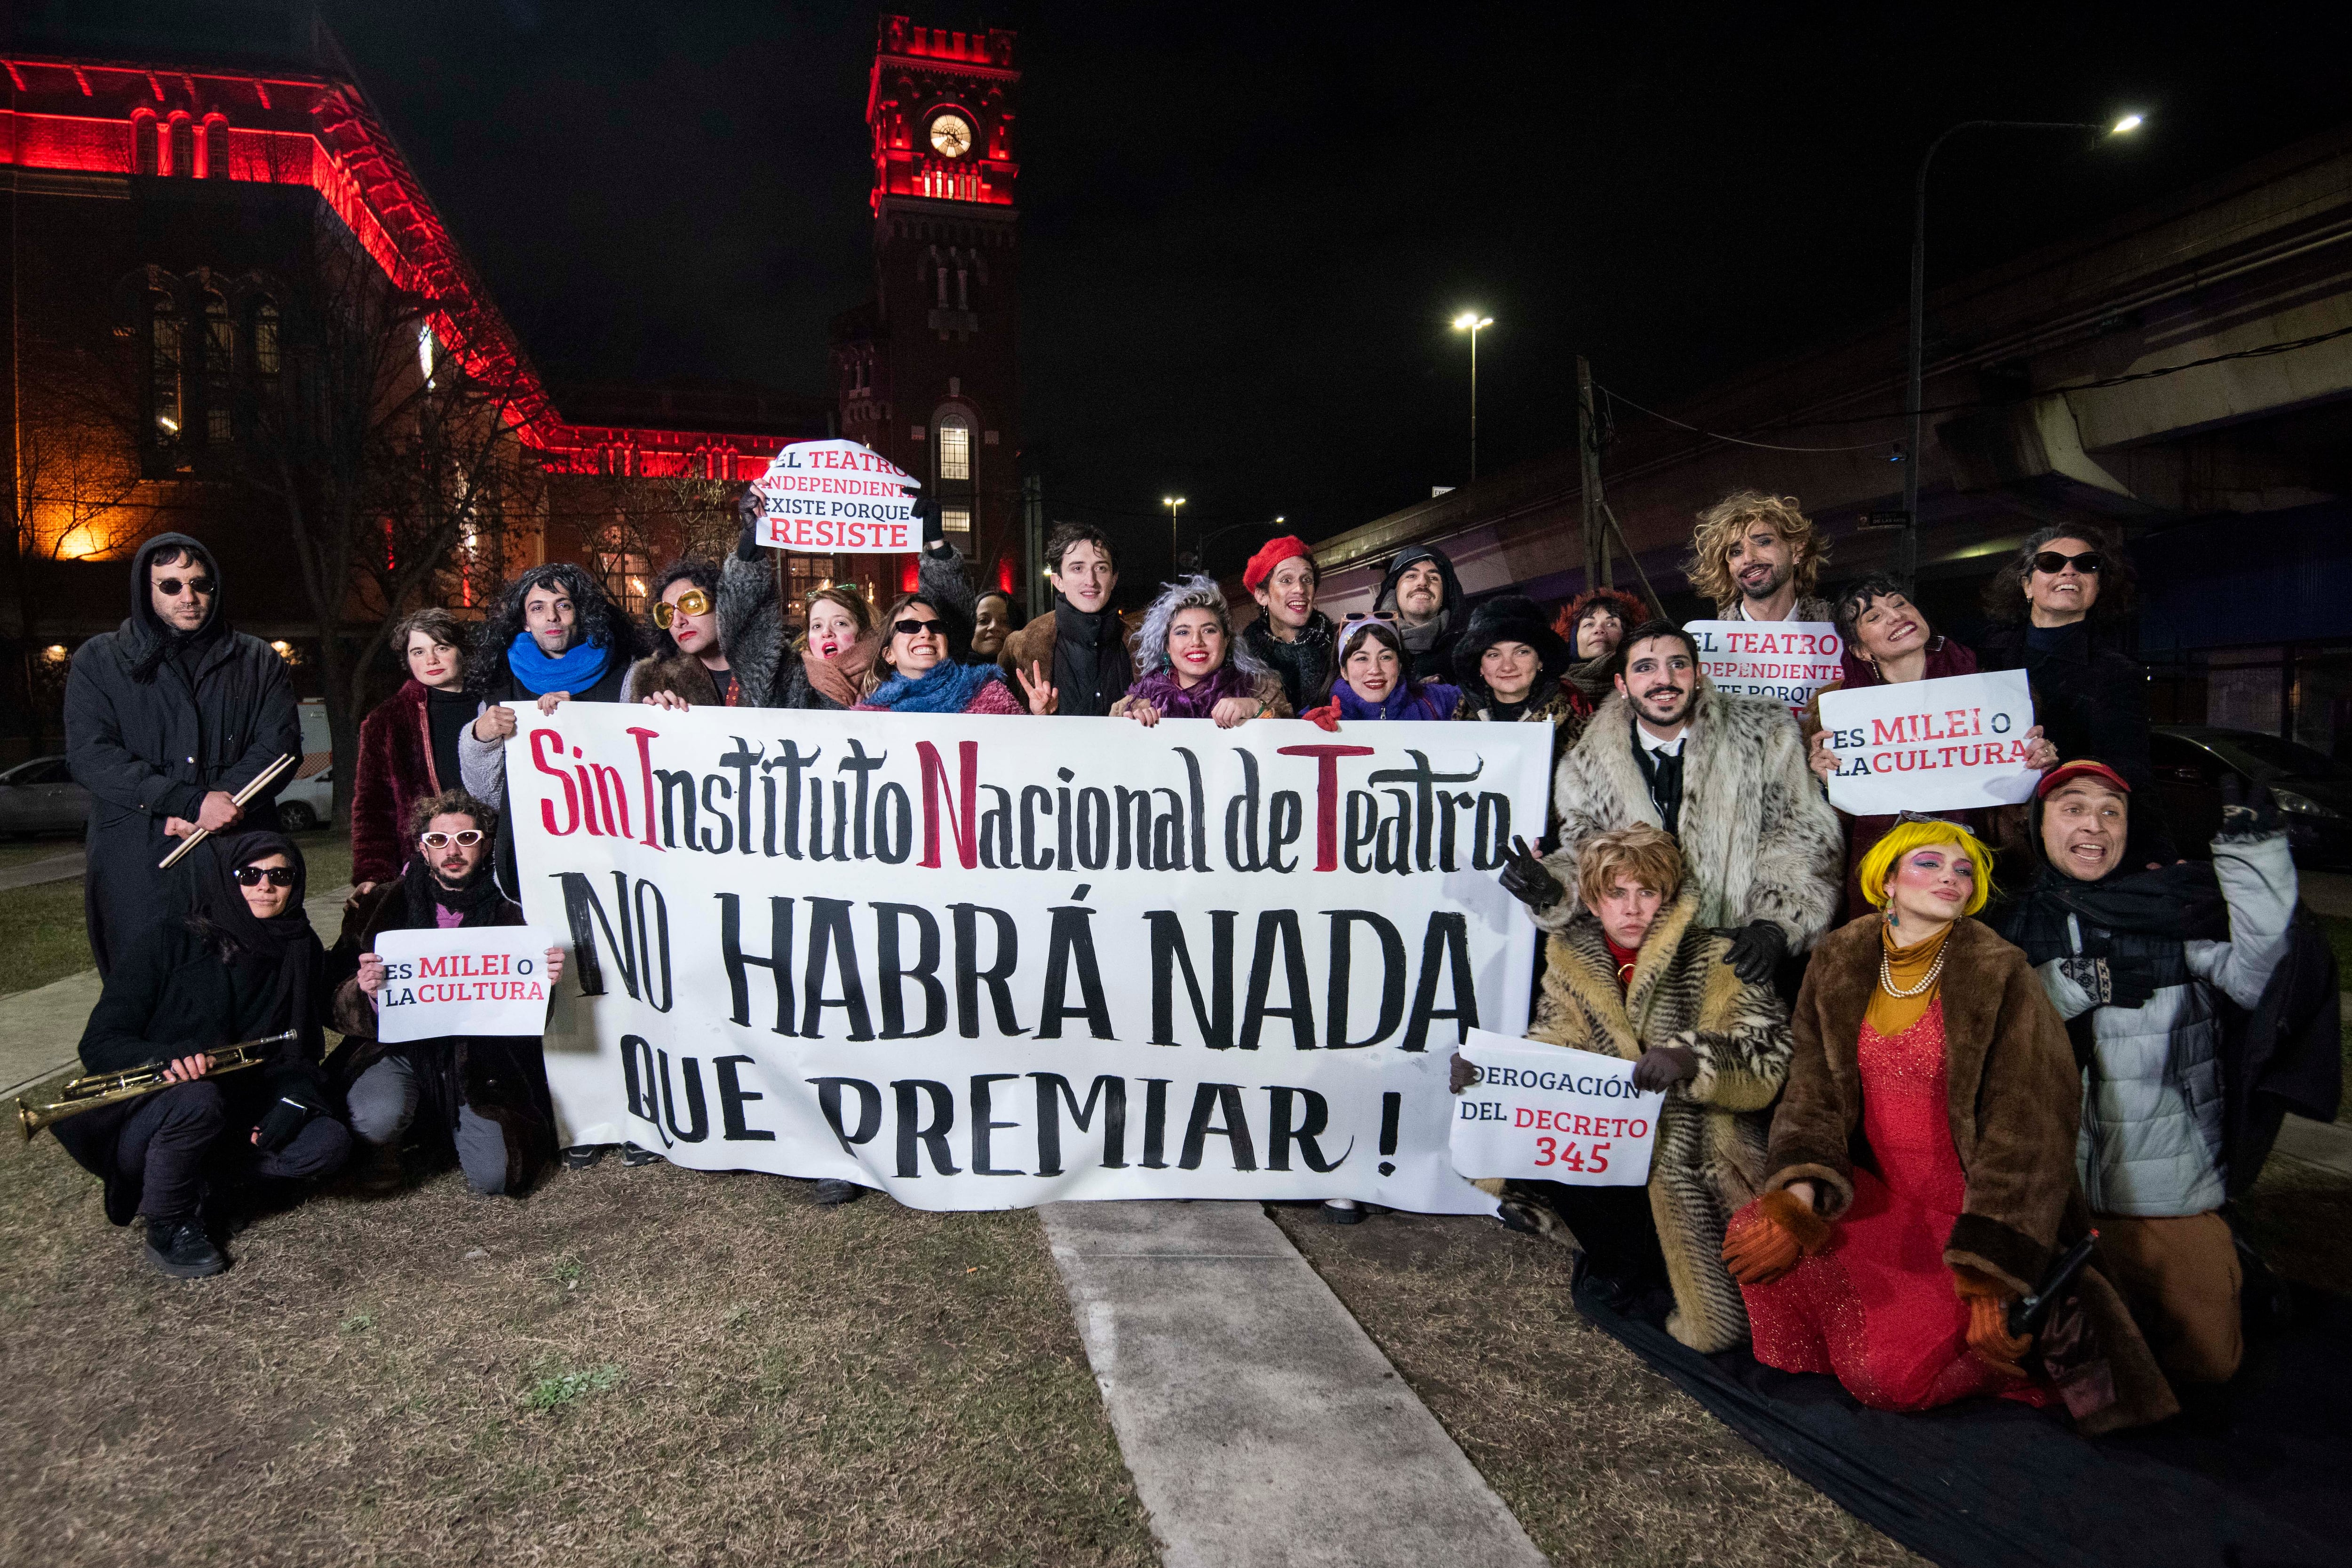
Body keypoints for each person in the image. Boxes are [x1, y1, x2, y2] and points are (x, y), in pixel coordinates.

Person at [1721, 819, 2176, 1432]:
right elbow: (1813, 1091)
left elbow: (2032, 1132)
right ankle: (1861, 1339)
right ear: (1887, 878)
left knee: (1888, 1378)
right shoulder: (1841, 953)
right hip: (1887, 1205)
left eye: (1964, 870)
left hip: (1973, 1225)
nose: (1951, 878)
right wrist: (1798, 1197)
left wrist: (1991, 1276)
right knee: (1757, 1228)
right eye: (1929, 864)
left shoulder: (1999, 970)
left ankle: (1977, 1348)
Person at [1992, 763, 2299, 1386]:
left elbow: (2262, 980)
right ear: (2038, 823)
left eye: (2112, 811)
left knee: (2205, 1368)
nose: (2094, 824)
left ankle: (2231, 1265)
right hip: (2054, 1203)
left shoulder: (2173, 911)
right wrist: (2076, 983)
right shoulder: (2011, 926)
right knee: (2049, 1372)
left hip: (2164, 1190)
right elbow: (1980, 1018)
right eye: (2073, 807)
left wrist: (2255, 862)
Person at [1462, 826, 1790, 1352]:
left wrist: (1690, 1059)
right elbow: (1552, 1042)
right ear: (1591, 901)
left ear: (1669, 896)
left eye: (1647, 892)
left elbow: (1767, 1062)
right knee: (1529, 1146)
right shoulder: (1571, 959)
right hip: (1613, 1147)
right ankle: (1622, 1261)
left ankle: (1655, 1264)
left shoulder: (1718, 956)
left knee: (1718, 1322)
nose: (1632, 908)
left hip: (1699, 1153)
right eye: (1616, 893)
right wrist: (1488, 1076)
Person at [56, 832, 351, 1279]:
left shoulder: (299, 945)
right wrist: (168, 1057)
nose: (264, 886)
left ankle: (214, 1183)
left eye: (280, 875)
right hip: (163, 1108)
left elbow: (297, 1048)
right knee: (198, 1101)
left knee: (330, 1143)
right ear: (226, 880)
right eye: (249, 874)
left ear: (296, 882)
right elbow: (99, 1042)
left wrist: (295, 1099)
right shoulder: (168, 940)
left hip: (241, 1105)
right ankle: (169, 1222)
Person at [1502, 621, 1842, 987]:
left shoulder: (1765, 733)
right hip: (1642, 973)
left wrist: (1775, 926)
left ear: (1698, 674)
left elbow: (1801, 837)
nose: (1665, 679)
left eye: (1678, 664)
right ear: (1622, 685)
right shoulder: (1584, 767)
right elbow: (1586, 857)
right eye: (1645, 667)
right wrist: (1553, 888)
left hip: (1740, 963)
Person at [65, 533, 302, 977]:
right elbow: (91, 754)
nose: (189, 597)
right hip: (139, 852)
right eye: (171, 585)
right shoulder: (101, 659)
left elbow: (280, 748)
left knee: (249, 979)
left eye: (200, 584)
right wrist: (187, 802)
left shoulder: (257, 659)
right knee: (148, 984)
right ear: (146, 589)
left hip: (239, 848)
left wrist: (220, 803)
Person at [335, 790, 564, 1199]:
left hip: (479, 1062)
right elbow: (330, 995)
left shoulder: (517, 908)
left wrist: (544, 985)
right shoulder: (379, 905)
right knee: (375, 1117)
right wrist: (366, 992)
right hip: (399, 1051)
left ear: (488, 844)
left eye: (467, 839)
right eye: (439, 841)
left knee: (497, 1177)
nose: (453, 851)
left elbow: (531, 1018)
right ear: (423, 850)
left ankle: (448, 1123)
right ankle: (390, 1144)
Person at [1803, 576, 2057, 919]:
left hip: (1977, 872)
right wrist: (1825, 782)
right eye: (1873, 617)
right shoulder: (1835, 716)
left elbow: (2015, 806)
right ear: (1861, 650)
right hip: (1881, 880)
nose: (1895, 616)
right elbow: (1832, 828)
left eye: (1899, 604)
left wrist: (2037, 770)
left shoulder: (1996, 698)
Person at [1973, 525, 2173, 861]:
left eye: (2086, 564)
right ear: (2026, 585)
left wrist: (2157, 855)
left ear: (2097, 585)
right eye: (2051, 562)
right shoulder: (1981, 659)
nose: (2070, 570)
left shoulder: (2118, 673)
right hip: (1985, 839)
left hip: (2066, 847)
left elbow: (2131, 771)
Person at [457, 562, 644, 893]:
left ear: (581, 613)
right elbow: (487, 795)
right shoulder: (501, 684)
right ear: (525, 622)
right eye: (538, 608)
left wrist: (578, 723)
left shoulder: (627, 674)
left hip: (612, 851)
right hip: (532, 853)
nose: (552, 618)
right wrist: (480, 738)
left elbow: (641, 775)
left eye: (564, 605)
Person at [351, 607, 477, 896]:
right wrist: (374, 873)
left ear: (462, 651)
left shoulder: (496, 704)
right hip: (428, 867)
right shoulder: (386, 721)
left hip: (498, 857)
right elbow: (372, 807)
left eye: (441, 647)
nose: (431, 660)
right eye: (418, 652)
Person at [1112, 574, 1291, 727]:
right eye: (1183, 632)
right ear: (1167, 645)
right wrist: (1129, 727)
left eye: (1209, 631)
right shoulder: (1137, 702)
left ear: (1227, 640)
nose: (1196, 642)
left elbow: (1292, 742)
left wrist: (1256, 709)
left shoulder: (1261, 690)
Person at [998, 524, 1132, 717]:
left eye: (1101, 568)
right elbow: (997, 727)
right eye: (1078, 568)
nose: (1091, 580)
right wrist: (1035, 718)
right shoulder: (1021, 646)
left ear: (1114, 579)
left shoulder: (1142, 647)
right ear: (1058, 581)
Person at [1451, 594, 1586, 776]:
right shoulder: (1455, 727)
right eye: (1494, 655)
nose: (1508, 666)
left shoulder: (1578, 731)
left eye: (1522, 652)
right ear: (1480, 667)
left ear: (1540, 661)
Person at [1685, 491, 1834, 623]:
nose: (1748, 559)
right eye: (1736, 552)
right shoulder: (1706, 645)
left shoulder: (1840, 629)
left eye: (1763, 542)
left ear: (1797, 549)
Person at [1240, 535, 1336, 715]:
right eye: (1286, 580)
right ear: (1262, 596)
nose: (1300, 589)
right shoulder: (1243, 659)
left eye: (1307, 580)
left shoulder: (1341, 647)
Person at [624, 560, 739, 708]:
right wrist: (654, 722)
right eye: (666, 614)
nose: (678, 621)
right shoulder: (651, 679)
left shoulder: (775, 669)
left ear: (723, 604)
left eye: (692, 604)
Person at [1309, 618, 1461, 724]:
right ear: (1344, 671)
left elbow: (1478, 693)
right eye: (1362, 658)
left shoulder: (1435, 700)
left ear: (1400, 665)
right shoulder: (1319, 716)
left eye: (1386, 657)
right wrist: (1309, 734)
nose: (1375, 670)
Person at [1374, 544, 1466, 685]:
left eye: (1434, 578)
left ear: (1445, 593)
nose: (1423, 582)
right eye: (1411, 576)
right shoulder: (1368, 646)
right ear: (1395, 588)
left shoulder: (1469, 648)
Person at [1554, 587, 1646, 711]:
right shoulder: (1550, 693)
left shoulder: (1645, 688)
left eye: (1611, 624)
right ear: (1574, 639)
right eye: (1589, 624)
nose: (1599, 629)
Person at [972, 589, 1019, 663]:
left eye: (1005, 621)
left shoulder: (1030, 671)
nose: (994, 626)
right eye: (983, 621)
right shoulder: (949, 672)